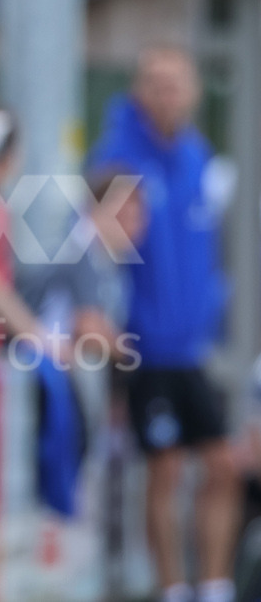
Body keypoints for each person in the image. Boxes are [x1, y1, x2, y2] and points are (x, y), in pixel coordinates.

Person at [87, 45, 238, 602]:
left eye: (176, 83)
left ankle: (214, 584)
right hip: (144, 350)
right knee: (166, 470)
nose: (166, 93)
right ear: (138, 91)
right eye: (155, 82)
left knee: (222, 466)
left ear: (195, 90)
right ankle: (172, 587)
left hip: (191, 349)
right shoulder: (118, 158)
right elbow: (96, 250)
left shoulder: (198, 158)